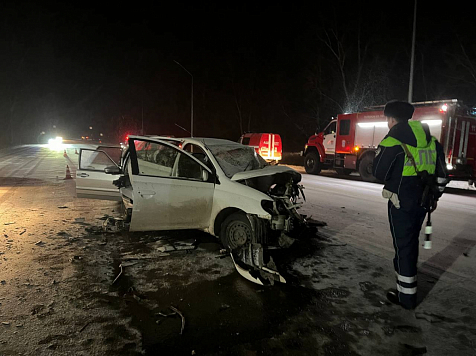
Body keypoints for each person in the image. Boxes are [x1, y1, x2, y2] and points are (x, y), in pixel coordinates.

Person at [372, 101, 448, 310]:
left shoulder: (392, 141)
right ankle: (406, 285)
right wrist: (435, 197)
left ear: (392, 119)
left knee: (404, 246)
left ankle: (406, 298)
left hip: (400, 203)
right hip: (423, 202)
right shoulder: (432, 141)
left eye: (387, 119)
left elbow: (378, 172)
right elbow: (443, 175)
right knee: (410, 242)